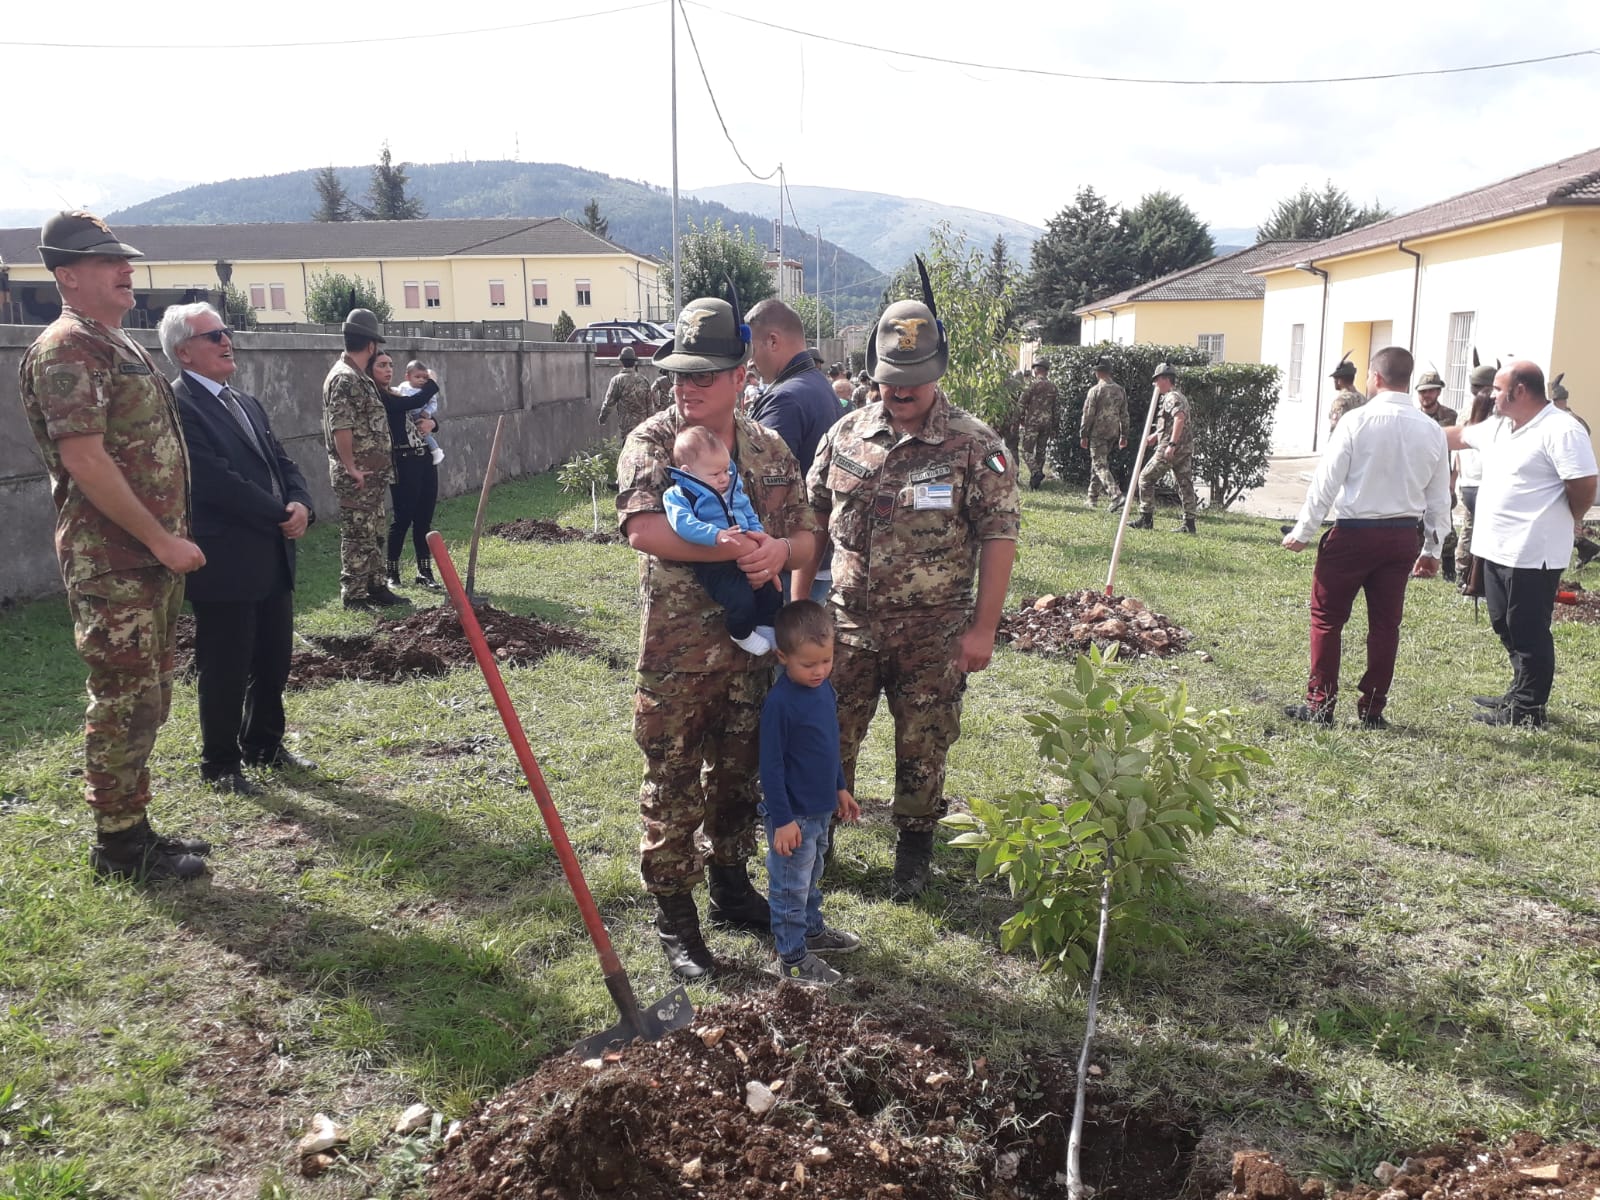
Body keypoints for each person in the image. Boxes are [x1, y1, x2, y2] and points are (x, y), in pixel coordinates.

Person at [797, 265, 1020, 899]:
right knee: (830, 736)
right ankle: (822, 838)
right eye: (891, 380)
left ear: (938, 372)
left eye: (915, 381)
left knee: (923, 742)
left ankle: (914, 850)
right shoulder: (844, 434)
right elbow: (813, 522)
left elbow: (1000, 535)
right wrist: (797, 612)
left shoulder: (975, 445)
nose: (901, 393)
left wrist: (983, 628)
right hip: (846, 624)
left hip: (935, 630)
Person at [616, 294, 819, 979]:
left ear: (741, 377)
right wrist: (741, 549)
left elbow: (807, 535)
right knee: (673, 784)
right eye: (681, 373)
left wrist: (779, 555)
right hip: (675, 656)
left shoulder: (769, 448)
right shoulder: (655, 442)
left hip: (751, 650)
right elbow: (645, 530)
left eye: (705, 374)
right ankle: (676, 917)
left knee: (739, 777)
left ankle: (731, 888)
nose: (689, 386)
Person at [19, 211, 208, 881]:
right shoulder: (68, 349)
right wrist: (161, 539)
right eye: (108, 264)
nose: (126, 271)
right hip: (116, 560)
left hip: (146, 559)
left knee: (149, 696)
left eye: (124, 261)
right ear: (69, 277)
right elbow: (86, 460)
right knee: (123, 699)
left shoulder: (114, 342)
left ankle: (134, 824)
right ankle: (118, 848)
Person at [162, 303, 317, 796]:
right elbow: (212, 481)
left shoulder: (245, 402)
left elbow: (282, 460)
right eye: (214, 336)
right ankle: (221, 762)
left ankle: (265, 743)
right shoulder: (179, 404)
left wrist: (301, 502)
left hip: (272, 552)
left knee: (274, 657)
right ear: (184, 351)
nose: (227, 341)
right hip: (226, 558)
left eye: (227, 333)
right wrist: (278, 512)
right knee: (226, 663)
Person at [1282, 346, 1451, 728]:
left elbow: (1326, 483)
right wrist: (1433, 548)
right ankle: (1373, 709)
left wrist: (1304, 531)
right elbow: (1441, 497)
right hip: (1402, 536)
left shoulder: (1356, 421)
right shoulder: (1431, 429)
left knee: (1326, 618)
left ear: (1375, 377)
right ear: (1408, 381)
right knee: (1385, 625)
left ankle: (1320, 704)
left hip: (1355, 532)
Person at [1444, 361, 1598, 727]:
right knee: (1503, 622)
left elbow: (1584, 486)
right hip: (1495, 547)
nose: (1491, 395)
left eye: (1498, 389)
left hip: (1534, 551)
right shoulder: (1500, 427)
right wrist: (1408, 429)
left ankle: (1529, 708)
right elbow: (1460, 436)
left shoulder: (1561, 429)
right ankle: (1518, 692)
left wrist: (1569, 518)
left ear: (1520, 391)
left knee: (1527, 628)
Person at [759, 600, 862, 987]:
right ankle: (792, 957)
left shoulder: (823, 690)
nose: (819, 671)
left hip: (820, 809)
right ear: (783, 657)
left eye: (827, 660)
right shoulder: (780, 705)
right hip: (794, 815)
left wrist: (839, 787)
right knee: (789, 884)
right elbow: (771, 767)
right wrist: (782, 819)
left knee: (813, 873)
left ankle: (813, 930)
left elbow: (828, 745)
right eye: (809, 664)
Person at [746, 298, 843, 603]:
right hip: (816, 554)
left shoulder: (785, 399)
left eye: (753, 348)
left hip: (788, 563)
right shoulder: (819, 385)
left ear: (772, 341)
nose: (750, 361)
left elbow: (762, 487)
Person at [664, 424, 784, 655]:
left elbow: (748, 512)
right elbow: (682, 524)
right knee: (741, 600)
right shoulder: (680, 494)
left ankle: (767, 626)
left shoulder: (732, 489)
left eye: (726, 470)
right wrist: (714, 535)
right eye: (715, 474)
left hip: (746, 555)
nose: (723, 478)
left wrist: (760, 537)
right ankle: (740, 633)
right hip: (715, 561)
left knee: (773, 590)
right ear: (688, 471)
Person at [323, 308, 403, 609]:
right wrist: (350, 467)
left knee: (374, 530)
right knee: (357, 533)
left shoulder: (359, 377)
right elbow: (341, 426)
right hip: (357, 475)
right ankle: (354, 594)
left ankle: (376, 585)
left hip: (372, 475)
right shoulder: (344, 379)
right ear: (370, 346)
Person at [372, 352, 441, 591]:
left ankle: (425, 571)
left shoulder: (402, 392)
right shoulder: (383, 396)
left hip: (425, 460)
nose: (388, 369)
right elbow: (411, 404)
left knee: (424, 519)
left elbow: (425, 415)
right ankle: (392, 572)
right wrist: (432, 383)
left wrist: (433, 423)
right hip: (403, 461)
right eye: (382, 365)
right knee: (403, 518)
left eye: (390, 364)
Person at [1132, 363, 1199, 534]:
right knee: (1185, 485)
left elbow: (1179, 419)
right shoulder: (1180, 396)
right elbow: (1172, 423)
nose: (1155, 384)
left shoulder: (1171, 397)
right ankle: (1189, 524)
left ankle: (1146, 518)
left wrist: (1171, 445)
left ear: (1165, 380)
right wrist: (1156, 434)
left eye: (1157, 380)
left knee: (1145, 478)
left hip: (1172, 449)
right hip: (1184, 448)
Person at [1452, 365, 1501, 585]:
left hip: (1467, 480)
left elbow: (1457, 450)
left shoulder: (1464, 411)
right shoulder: (1496, 414)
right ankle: (1477, 580)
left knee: (1469, 527)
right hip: (1486, 480)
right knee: (1486, 531)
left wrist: (1455, 479)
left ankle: (1462, 573)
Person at [1080, 358, 1129, 508]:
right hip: (1113, 432)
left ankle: (1116, 495)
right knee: (1099, 462)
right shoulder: (1120, 390)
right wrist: (1124, 435)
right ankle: (1092, 498)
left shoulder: (1095, 390)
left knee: (1099, 464)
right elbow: (1124, 414)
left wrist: (1083, 434)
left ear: (1098, 372)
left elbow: (1088, 414)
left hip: (1098, 432)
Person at [1017, 358, 1059, 491]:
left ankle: (1035, 472)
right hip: (1047, 423)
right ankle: (1035, 483)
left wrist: (1017, 420)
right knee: (1041, 452)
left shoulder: (1031, 385)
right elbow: (1056, 409)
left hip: (1033, 423)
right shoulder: (1053, 387)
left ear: (1036, 369)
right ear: (1046, 371)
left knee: (1026, 451)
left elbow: (1021, 404)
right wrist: (1055, 428)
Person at [598, 345, 655, 433]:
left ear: (621, 362)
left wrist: (602, 418)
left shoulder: (617, 380)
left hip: (627, 426)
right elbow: (650, 405)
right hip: (643, 426)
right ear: (634, 362)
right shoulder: (644, 380)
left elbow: (609, 402)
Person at [401, 359, 444, 465]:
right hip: (407, 416)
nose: (421, 380)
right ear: (407, 377)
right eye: (417, 377)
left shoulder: (425, 390)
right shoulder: (403, 387)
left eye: (425, 378)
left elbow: (433, 404)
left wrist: (427, 412)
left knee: (424, 434)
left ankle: (436, 450)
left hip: (419, 415)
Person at [1327, 354, 1366, 431]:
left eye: (1335, 378)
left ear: (1339, 380)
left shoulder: (1340, 401)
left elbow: (1335, 429)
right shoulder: (1363, 399)